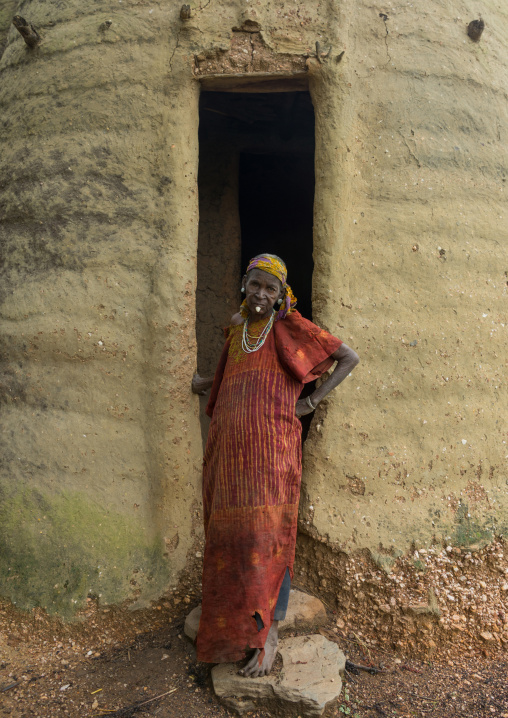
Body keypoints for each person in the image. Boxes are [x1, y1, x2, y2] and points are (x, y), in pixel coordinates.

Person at [191, 254, 359, 678]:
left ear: (282, 293)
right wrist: (205, 382)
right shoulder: (237, 325)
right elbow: (235, 368)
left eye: (271, 288)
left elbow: (348, 357)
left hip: (272, 451)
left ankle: (270, 635)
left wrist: (312, 401)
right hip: (230, 450)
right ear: (244, 285)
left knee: (269, 535)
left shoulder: (291, 326)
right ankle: (234, 631)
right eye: (255, 285)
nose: (262, 294)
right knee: (229, 535)